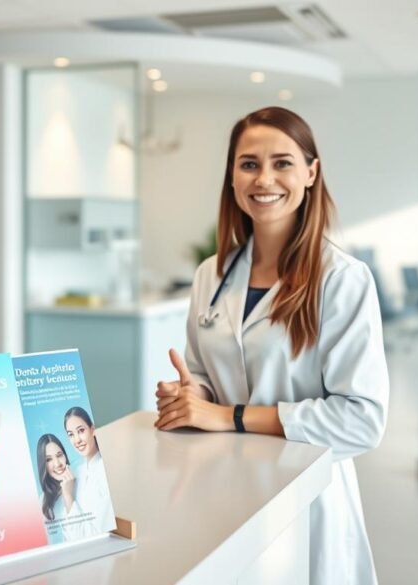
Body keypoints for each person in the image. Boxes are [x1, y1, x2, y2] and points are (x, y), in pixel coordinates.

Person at [155, 106, 389, 585]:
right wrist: (191, 398)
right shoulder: (211, 275)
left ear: (311, 172)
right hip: (221, 489)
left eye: (282, 162)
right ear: (233, 177)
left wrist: (230, 416)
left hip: (307, 497)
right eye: (249, 164)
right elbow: (203, 373)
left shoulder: (343, 279)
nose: (265, 178)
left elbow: (362, 421)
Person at [64, 406, 116, 534]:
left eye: (81, 430)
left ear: (93, 430)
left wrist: (68, 496)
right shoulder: (75, 471)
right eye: (71, 434)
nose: (77, 440)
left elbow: (96, 532)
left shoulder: (105, 471)